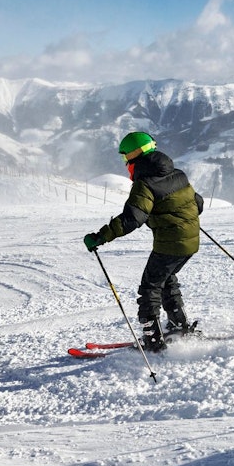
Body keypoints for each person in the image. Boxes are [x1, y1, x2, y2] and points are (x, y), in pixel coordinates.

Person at [84, 132, 204, 352]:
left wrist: (100, 237)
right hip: (190, 242)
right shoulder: (178, 174)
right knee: (166, 279)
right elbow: (198, 203)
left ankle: (153, 341)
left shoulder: (145, 183)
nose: (125, 163)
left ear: (135, 154)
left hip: (171, 244)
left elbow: (132, 219)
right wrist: (178, 212)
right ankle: (180, 324)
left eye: (125, 158)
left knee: (149, 288)